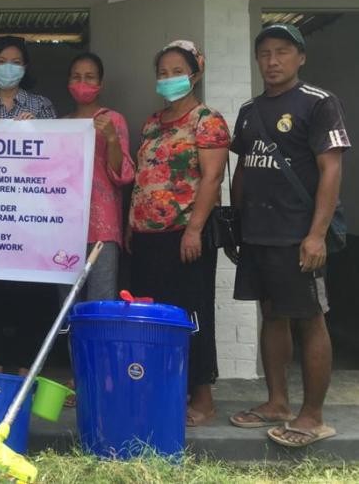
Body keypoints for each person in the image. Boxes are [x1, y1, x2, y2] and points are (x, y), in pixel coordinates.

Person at [229, 24, 350, 448]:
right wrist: (236, 221)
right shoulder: (249, 110)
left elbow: (331, 168)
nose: (273, 61)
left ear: (300, 58)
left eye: (282, 52)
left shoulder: (319, 103)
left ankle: (313, 416)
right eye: (264, 53)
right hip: (258, 233)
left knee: (310, 318)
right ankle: (276, 402)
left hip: (299, 233)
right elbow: (243, 168)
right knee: (271, 314)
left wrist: (316, 235)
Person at [126, 40, 229, 427]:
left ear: (195, 74)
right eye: (163, 72)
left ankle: (202, 397)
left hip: (185, 234)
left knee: (191, 312)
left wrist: (195, 230)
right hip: (147, 234)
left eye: (177, 71)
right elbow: (142, 179)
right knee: (153, 316)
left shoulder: (207, 120)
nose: (168, 79)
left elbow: (212, 177)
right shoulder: (152, 122)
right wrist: (131, 225)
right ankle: (162, 387)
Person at [0, 35, 56, 374]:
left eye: (16, 61)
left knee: (30, 294)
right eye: (2, 60)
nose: (9, 67)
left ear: (25, 66)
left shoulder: (41, 105)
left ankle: (25, 369)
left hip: (32, 214)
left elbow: (57, 155)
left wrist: (32, 131)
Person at [64, 51, 135, 300]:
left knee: (100, 301)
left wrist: (112, 139)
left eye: (90, 77)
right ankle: (71, 343)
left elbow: (123, 175)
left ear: (100, 84)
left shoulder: (112, 120)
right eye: (76, 77)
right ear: (68, 83)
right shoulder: (61, 124)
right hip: (64, 227)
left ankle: (95, 342)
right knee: (68, 304)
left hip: (102, 227)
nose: (83, 82)